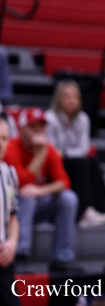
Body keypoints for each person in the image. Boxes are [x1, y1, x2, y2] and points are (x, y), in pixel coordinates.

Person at [5, 107, 80, 272]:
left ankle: (63, 257)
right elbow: (21, 182)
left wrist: (41, 191)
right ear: (22, 128)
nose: (38, 131)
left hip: (37, 205)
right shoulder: (10, 147)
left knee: (68, 198)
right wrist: (40, 155)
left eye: (42, 127)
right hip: (11, 208)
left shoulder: (48, 149)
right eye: (33, 126)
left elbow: (64, 182)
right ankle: (20, 254)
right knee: (27, 194)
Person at [45, 80, 105, 227]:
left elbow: (83, 148)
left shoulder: (83, 118)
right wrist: (66, 154)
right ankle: (84, 212)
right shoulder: (49, 118)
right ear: (58, 99)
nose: (71, 100)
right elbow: (51, 149)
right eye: (67, 96)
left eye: (75, 97)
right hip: (53, 163)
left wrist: (65, 153)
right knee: (82, 163)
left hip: (71, 159)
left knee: (93, 161)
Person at [0, 117, 20, 306]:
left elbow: (13, 217)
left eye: (4, 138)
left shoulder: (9, 173)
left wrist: (12, 242)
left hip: (3, 256)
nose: (1, 143)